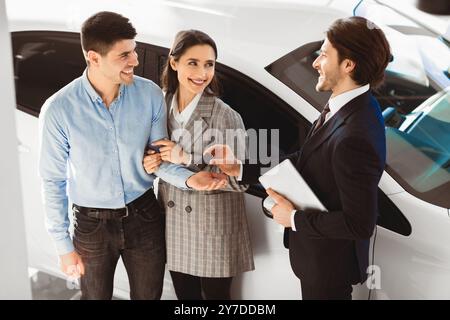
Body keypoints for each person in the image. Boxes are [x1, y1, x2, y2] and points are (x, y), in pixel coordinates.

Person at [38, 12, 227, 300]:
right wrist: (63, 246)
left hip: (144, 215)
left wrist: (191, 180)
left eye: (134, 50)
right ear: (94, 57)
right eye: (124, 55)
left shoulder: (149, 95)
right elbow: (52, 181)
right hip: (91, 226)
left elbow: (158, 159)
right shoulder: (59, 110)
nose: (135, 61)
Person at [206, 16, 391, 300]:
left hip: (327, 268)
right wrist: (241, 167)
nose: (316, 63)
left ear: (348, 65)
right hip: (318, 260)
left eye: (325, 55)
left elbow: (359, 223)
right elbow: (307, 158)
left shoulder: (355, 135)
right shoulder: (353, 104)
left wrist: (293, 218)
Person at [143, 30, 254, 300]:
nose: (202, 73)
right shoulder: (160, 104)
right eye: (193, 63)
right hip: (174, 223)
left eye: (209, 64)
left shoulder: (224, 115)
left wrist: (188, 158)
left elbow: (241, 180)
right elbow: (152, 158)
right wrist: (152, 161)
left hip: (212, 226)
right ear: (174, 63)